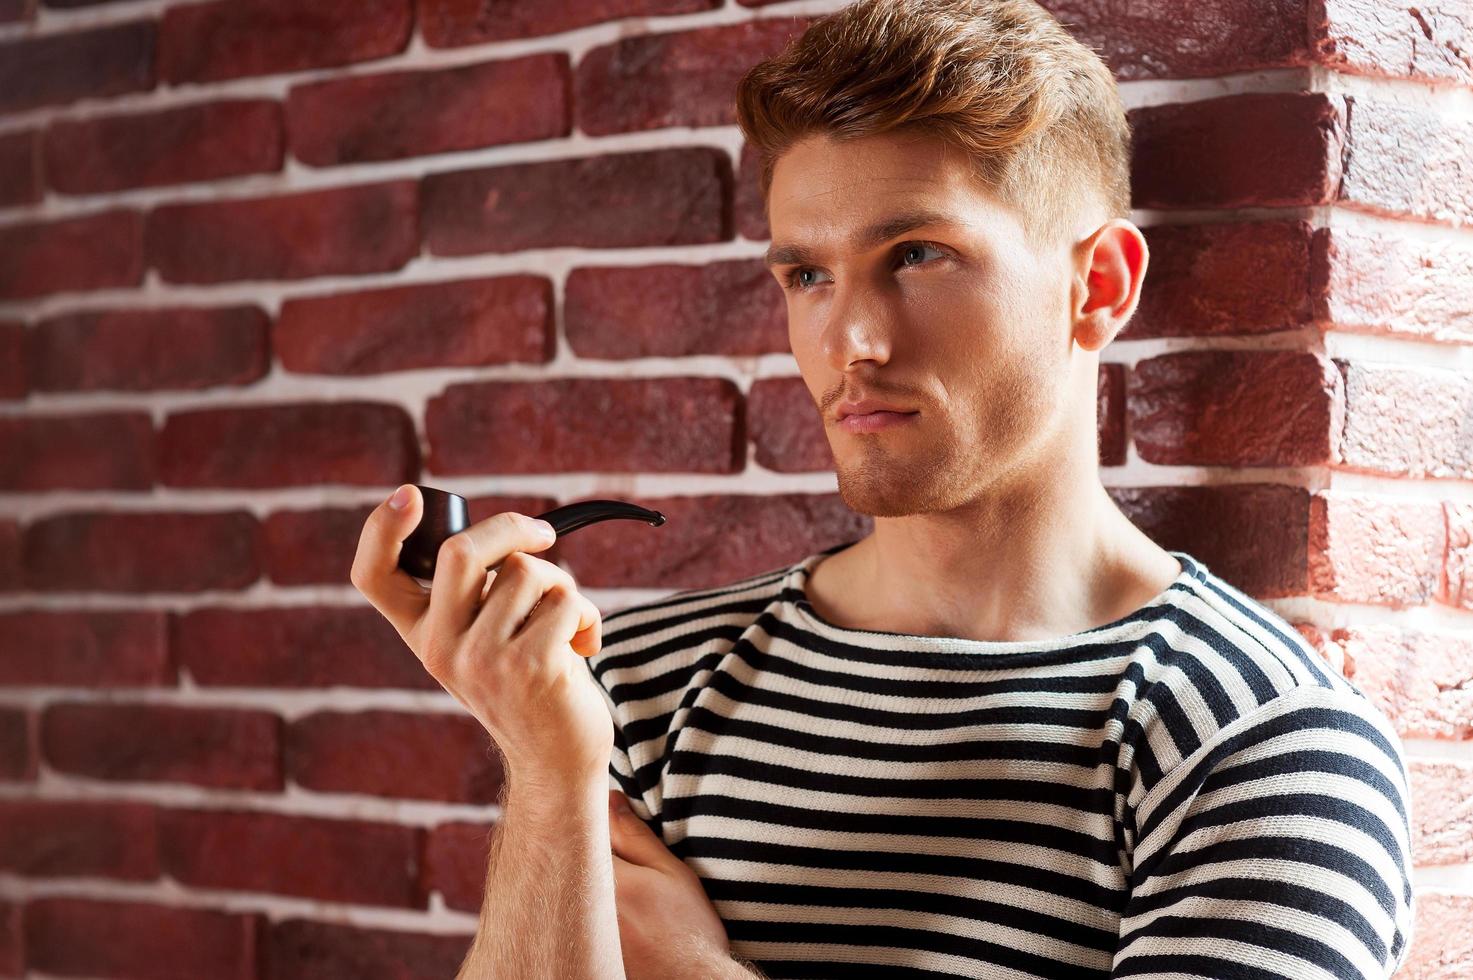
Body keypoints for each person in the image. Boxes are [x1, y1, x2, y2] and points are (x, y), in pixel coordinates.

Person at [352, 0, 1414, 977]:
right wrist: (548, 776)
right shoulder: (635, 687)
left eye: (915, 254)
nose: (847, 341)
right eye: (807, 275)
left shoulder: (1263, 746)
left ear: (1097, 286)